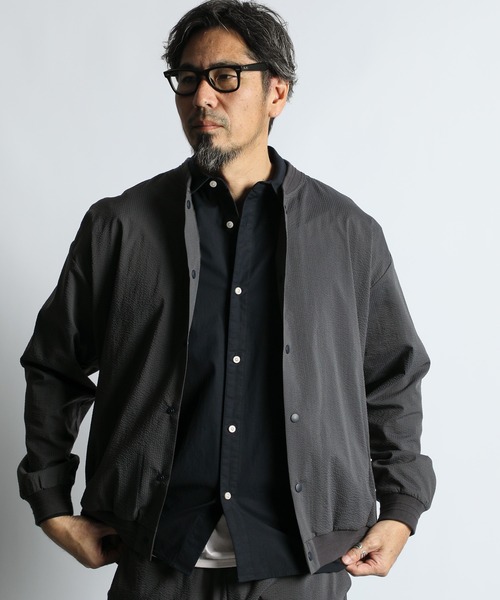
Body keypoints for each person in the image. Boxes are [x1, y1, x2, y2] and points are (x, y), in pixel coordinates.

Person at [17, 1, 436, 598]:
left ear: (277, 93)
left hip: (302, 565)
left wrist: (400, 507)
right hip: (158, 561)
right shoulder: (120, 226)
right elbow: (55, 365)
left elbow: (392, 376)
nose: (202, 98)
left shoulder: (347, 233)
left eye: (224, 77)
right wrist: (52, 503)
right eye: (187, 79)